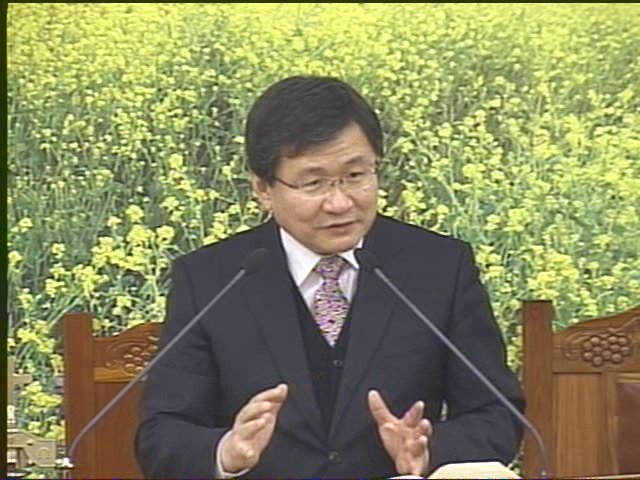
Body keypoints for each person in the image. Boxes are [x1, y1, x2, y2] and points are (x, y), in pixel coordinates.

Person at [135, 76, 524, 478]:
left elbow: (497, 413)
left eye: (356, 176)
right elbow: (161, 434)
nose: (339, 203)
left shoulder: (439, 266)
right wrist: (226, 452)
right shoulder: (211, 279)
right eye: (313, 183)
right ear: (263, 189)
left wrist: (429, 454)